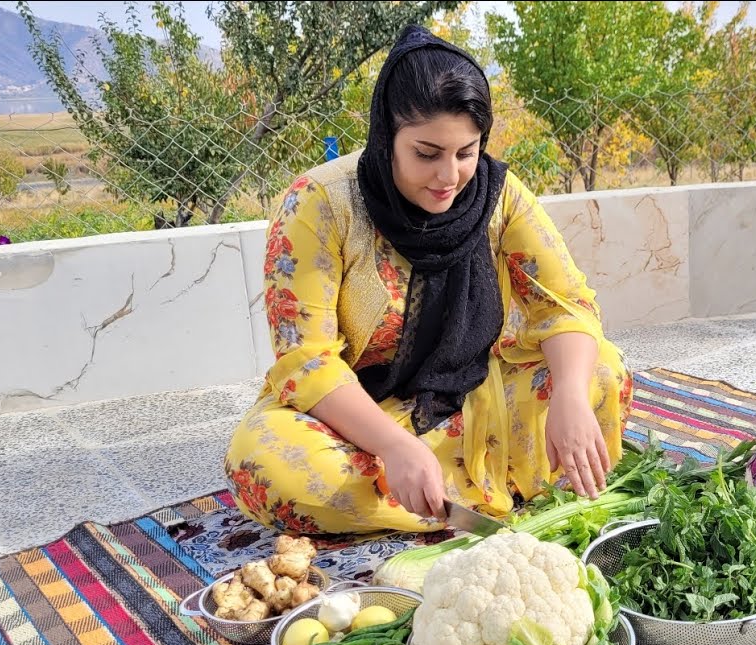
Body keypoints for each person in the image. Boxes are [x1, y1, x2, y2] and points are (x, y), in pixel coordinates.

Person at [223, 25, 634, 536]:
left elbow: (565, 304)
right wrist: (394, 445)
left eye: (466, 152)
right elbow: (306, 361)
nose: (449, 177)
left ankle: (432, 496)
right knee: (265, 465)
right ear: (385, 135)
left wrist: (569, 398)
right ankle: (472, 488)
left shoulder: (497, 194)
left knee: (601, 376)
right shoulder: (320, 204)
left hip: (472, 400)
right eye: (426, 153)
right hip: (358, 417)